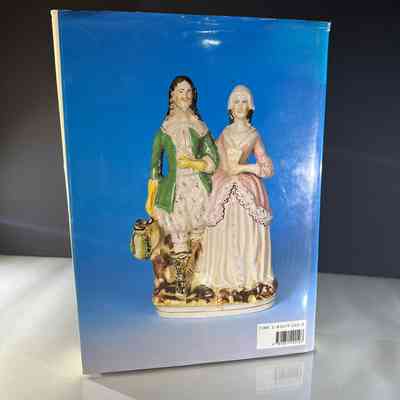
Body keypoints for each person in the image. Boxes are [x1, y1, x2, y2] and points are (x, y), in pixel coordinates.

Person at [191, 85, 276, 303]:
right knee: (221, 222)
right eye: (236, 101)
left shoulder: (253, 135)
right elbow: (215, 158)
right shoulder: (225, 133)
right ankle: (221, 276)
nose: (240, 106)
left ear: (250, 106)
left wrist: (243, 168)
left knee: (246, 222)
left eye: (244, 101)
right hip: (224, 181)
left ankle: (249, 278)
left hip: (245, 183)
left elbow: (267, 168)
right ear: (230, 107)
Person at [145, 76, 219, 297]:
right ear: (172, 96)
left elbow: (214, 158)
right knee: (179, 234)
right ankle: (182, 284)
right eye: (180, 91)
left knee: (199, 234)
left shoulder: (200, 127)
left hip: (198, 186)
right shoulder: (164, 130)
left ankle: (199, 279)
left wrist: (195, 164)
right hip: (176, 189)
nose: (185, 96)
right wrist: (151, 196)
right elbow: (155, 166)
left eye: (188, 91)